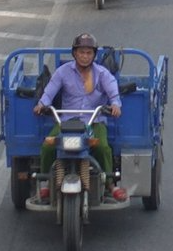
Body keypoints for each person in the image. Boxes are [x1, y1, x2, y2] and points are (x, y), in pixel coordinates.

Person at [33, 33, 126, 202]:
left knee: (103, 148)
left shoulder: (101, 73)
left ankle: (111, 185)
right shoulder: (63, 71)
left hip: (94, 122)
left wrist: (115, 105)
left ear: (94, 55)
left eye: (89, 53)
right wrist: (42, 104)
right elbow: (50, 90)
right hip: (66, 122)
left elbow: (113, 91)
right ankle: (46, 183)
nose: (85, 56)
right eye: (81, 52)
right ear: (74, 53)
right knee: (47, 147)